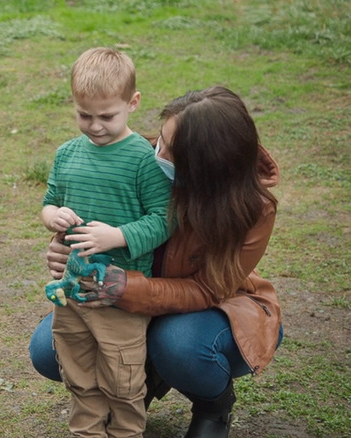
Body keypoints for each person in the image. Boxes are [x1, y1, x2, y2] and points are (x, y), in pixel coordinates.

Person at [30, 86, 283, 438]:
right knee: (48, 350)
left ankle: (214, 406)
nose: (157, 152)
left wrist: (124, 287)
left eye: (170, 151)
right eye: (160, 139)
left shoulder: (253, 208)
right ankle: (138, 380)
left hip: (210, 309)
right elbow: (94, 216)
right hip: (128, 303)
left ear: (205, 166)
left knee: (177, 344)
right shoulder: (137, 158)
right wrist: (64, 248)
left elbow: (207, 288)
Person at [40, 47, 172, 437]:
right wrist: (53, 216)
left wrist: (116, 236)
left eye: (107, 116)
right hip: (72, 287)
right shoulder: (67, 154)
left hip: (120, 293)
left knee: (122, 375)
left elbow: (164, 220)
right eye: (85, 115)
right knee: (77, 367)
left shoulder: (144, 159)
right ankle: (87, 431)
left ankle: (127, 431)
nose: (95, 126)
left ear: (133, 103)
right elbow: (49, 202)